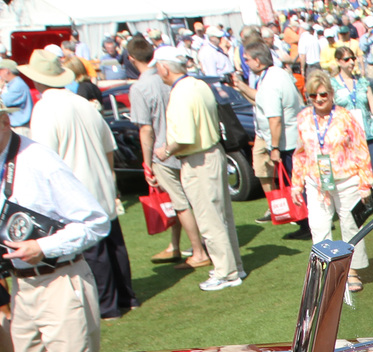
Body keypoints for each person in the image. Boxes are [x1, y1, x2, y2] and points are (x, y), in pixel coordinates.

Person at [27, 49, 137, 321]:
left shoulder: (44, 109)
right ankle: (126, 297)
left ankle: (107, 306)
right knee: (113, 243)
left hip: (76, 186)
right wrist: (108, 177)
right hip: (100, 180)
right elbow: (108, 146)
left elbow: (43, 156)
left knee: (94, 249)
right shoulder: (81, 103)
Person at [0, 103, 109, 352]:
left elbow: (95, 221)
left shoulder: (38, 159)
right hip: (21, 287)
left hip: (60, 280)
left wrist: (42, 247)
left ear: (5, 122)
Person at [154, 46, 245, 291]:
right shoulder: (199, 85)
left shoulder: (181, 93)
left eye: (158, 68)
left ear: (164, 68)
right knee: (222, 215)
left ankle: (226, 272)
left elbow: (184, 136)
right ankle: (234, 265)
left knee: (209, 218)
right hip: (213, 152)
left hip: (197, 158)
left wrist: (165, 150)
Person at [126, 36, 208, 270]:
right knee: (185, 200)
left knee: (181, 203)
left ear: (131, 59)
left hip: (164, 151)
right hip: (185, 147)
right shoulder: (168, 79)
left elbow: (145, 129)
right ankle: (178, 245)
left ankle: (199, 251)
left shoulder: (140, 87)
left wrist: (147, 162)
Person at [292, 70, 371, 293]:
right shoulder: (303, 118)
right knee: (318, 226)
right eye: (313, 96)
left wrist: (365, 183)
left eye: (323, 94)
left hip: (346, 180)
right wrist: (296, 183)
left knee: (350, 225)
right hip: (316, 182)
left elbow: (360, 149)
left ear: (331, 93)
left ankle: (352, 270)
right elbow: (299, 153)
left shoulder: (346, 116)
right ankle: (326, 272)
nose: (318, 100)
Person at [247, 43, 306, 235]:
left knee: (295, 184)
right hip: (293, 137)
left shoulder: (270, 82)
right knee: (298, 183)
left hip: (287, 143)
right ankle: (306, 223)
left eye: (247, 59)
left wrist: (274, 148)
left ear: (257, 60)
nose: (245, 63)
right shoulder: (279, 74)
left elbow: (275, 119)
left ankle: (305, 224)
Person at [332, 46, 373, 210]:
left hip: (368, 133)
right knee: (352, 174)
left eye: (352, 58)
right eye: (346, 59)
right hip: (346, 137)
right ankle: (360, 206)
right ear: (338, 62)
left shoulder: (363, 83)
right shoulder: (333, 85)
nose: (351, 62)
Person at [0, 61, 33, 138]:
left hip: (20, 129)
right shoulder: (13, 84)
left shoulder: (17, 85)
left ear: (7, 71)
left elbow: (3, 101)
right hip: (16, 127)